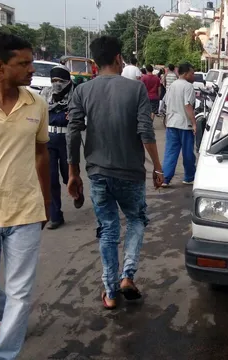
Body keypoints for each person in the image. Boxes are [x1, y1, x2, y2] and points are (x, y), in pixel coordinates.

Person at [67, 36, 164, 310]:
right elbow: (145, 132)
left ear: (95, 62)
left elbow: (73, 133)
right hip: (131, 173)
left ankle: (110, 293)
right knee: (136, 219)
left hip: (97, 173)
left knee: (108, 230)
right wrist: (157, 167)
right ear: (119, 58)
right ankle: (127, 276)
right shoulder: (136, 91)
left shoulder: (82, 91)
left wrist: (73, 172)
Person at [0, 32, 51, 360]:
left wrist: (46, 202)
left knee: (21, 292)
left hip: (25, 211)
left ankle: (3, 354)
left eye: (31, 61)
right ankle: (5, 315)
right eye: (23, 63)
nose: (31, 69)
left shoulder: (36, 103)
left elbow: (41, 154)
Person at [41, 65, 76, 229]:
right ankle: (55, 215)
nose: (57, 84)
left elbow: (82, 117)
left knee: (68, 174)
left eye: (60, 81)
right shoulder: (45, 94)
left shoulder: (75, 95)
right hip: (48, 139)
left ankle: (77, 191)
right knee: (51, 178)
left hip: (67, 140)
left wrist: (74, 116)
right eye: (54, 80)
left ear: (68, 81)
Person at [162, 62, 198, 187]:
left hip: (172, 123)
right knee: (188, 153)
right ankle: (189, 177)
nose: (194, 76)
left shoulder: (172, 85)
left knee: (170, 152)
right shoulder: (188, 86)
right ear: (186, 73)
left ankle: (165, 178)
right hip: (184, 124)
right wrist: (194, 123)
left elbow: (166, 101)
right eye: (192, 73)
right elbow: (188, 105)